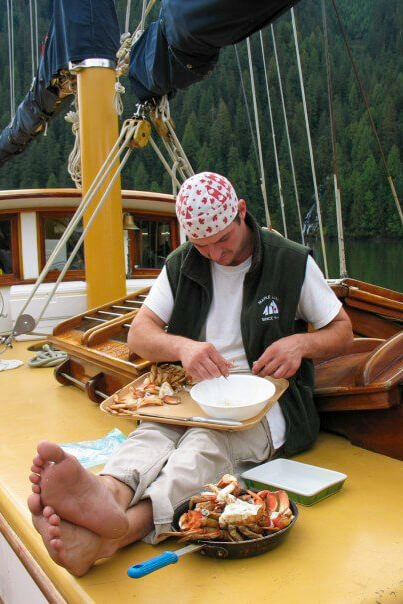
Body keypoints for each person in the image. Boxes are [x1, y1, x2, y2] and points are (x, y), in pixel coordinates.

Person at [28, 172, 353, 576]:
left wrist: (300, 345)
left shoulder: (288, 260)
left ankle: (117, 533)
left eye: (223, 240)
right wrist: (183, 348)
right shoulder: (183, 263)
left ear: (240, 212)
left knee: (203, 447)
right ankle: (107, 494)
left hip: (268, 402)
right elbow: (142, 336)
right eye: (203, 245)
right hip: (194, 394)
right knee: (152, 433)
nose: (215, 254)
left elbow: (342, 332)